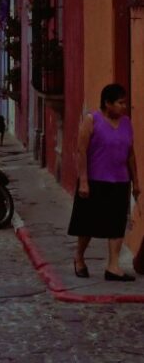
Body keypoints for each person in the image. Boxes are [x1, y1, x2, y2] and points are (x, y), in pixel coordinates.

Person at [68, 83, 140, 281]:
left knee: (117, 223)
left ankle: (113, 266)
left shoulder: (126, 123)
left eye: (125, 103)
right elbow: (81, 151)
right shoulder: (92, 120)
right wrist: (83, 180)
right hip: (94, 180)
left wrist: (136, 181)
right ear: (107, 103)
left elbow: (130, 154)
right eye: (120, 103)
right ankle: (79, 257)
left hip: (120, 180)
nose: (124, 106)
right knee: (87, 224)